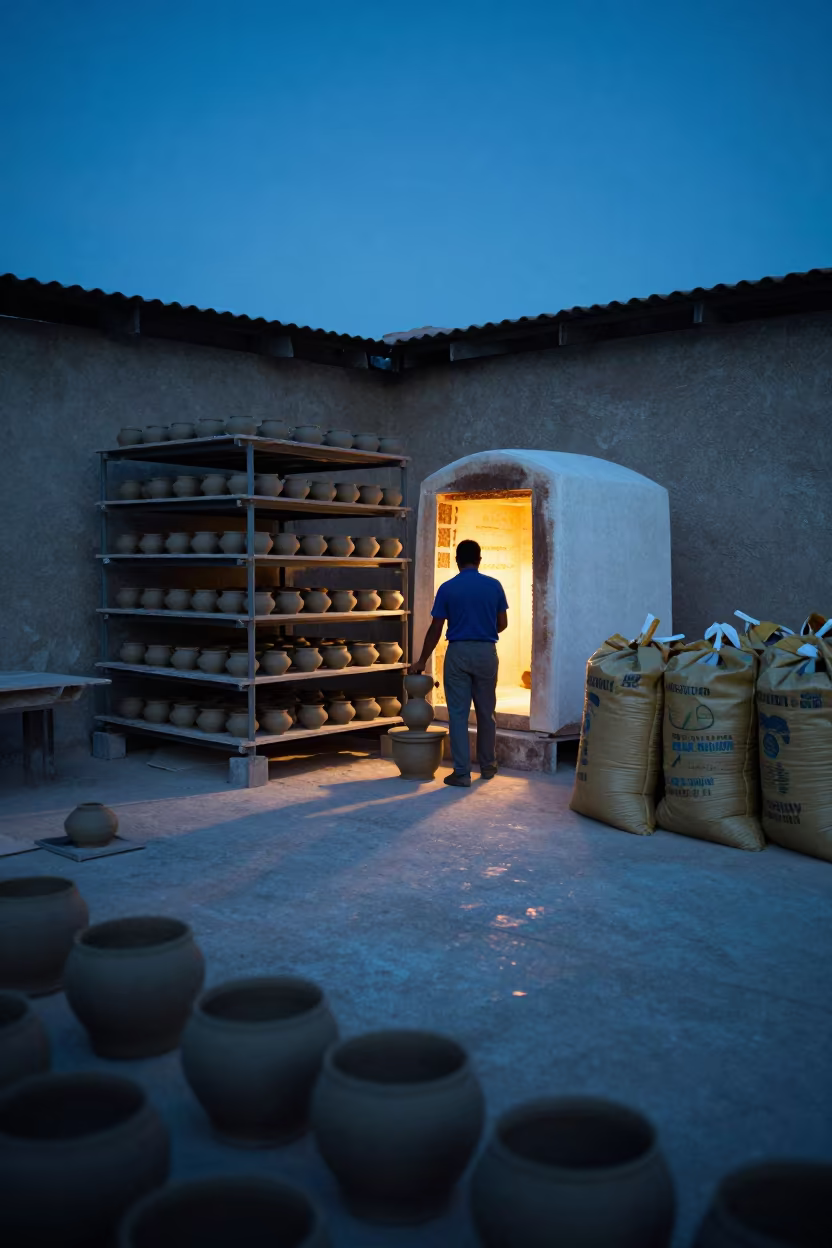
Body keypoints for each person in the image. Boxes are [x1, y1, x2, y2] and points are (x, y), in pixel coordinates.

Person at [411, 539, 508, 787]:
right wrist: (484, 631)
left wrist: (422, 660)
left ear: (457, 560)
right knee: (486, 713)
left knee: (458, 714)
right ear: (479, 560)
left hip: (458, 653)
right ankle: (488, 766)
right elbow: (502, 623)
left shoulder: (447, 588)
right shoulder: (494, 586)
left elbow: (436, 628)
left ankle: (462, 773)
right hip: (487, 652)